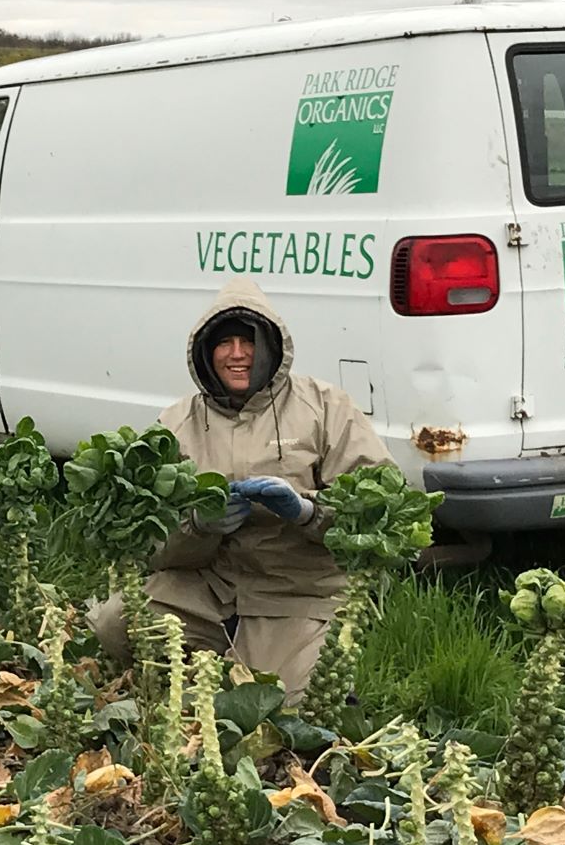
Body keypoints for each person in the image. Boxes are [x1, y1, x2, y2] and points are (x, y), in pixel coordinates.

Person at [89, 277, 390, 695]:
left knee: (286, 704)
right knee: (115, 624)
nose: (236, 355)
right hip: (211, 586)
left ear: (271, 346)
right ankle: (214, 664)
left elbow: (379, 514)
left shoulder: (326, 407)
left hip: (295, 590)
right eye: (224, 343)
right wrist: (199, 525)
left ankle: (258, 660)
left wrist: (307, 511)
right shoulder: (176, 424)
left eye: (248, 341)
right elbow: (149, 543)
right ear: (205, 351)